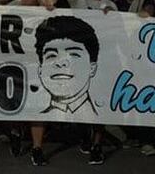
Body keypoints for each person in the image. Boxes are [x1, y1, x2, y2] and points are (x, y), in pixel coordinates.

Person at [31, 15, 102, 166]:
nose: (61, 63)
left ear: (92, 67)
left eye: (73, 54)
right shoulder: (39, 108)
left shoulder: (99, 107)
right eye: (51, 55)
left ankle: (96, 145)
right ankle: (36, 149)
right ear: (40, 69)